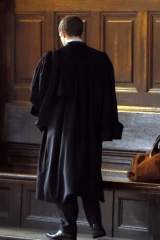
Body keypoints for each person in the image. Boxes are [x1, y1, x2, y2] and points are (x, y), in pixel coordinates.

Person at [30, 15, 123, 240]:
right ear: (81, 33)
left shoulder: (53, 59)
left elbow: (38, 95)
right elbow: (109, 98)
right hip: (90, 131)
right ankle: (95, 225)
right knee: (88, 173)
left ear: (62, 33)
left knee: (62, 178)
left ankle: (68, 229)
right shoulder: (101, 60)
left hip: (60, 131)